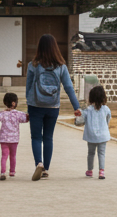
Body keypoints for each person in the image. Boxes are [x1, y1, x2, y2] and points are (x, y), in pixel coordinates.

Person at [25, 33, 80, 181]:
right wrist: (76, 107)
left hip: (35, 105)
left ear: (40, 48)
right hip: (53, 106)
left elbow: (28, 86)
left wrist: (28, 103)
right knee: (48, 137)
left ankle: (39, 163)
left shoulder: (33, 65)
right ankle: (46, 169)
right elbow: (69, 87)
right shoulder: (61, 67)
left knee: (36, 137)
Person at [74, 85, 112, 179]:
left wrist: (77, 115)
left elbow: (81, 120)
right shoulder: (106, 109)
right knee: (101, 153)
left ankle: (90, 170)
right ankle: (101, 171)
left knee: (91, 153)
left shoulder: (88, 110)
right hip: (103, 135)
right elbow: (108, 119)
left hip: (91, 135)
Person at [0, 92, 28, 180]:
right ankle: (12, 171)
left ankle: (3, 172)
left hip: (4, 138)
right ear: (14, 103)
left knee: (4, 155)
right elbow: (25, 119)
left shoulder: (1, 114)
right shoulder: (18, 114)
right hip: (14, 139)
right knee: (13, 155)